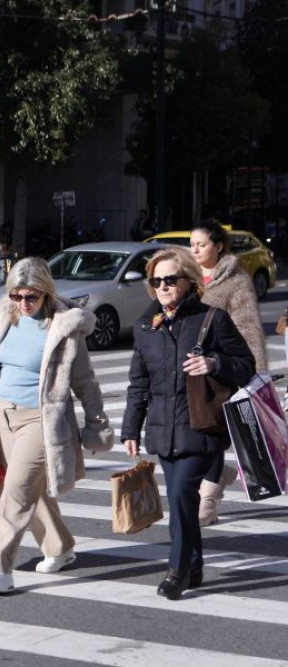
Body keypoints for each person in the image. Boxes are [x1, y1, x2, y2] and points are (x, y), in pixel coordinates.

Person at [0, 257, 113, 593]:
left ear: (46, 293)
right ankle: (59, 548)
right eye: (17, 296)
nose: (23, 304)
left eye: (31, 297)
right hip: (0, 413)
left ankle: (0, 568)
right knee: (28, 490)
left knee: (16, 494)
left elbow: (85, 381)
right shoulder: (5, 315)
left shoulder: (64, 327)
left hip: (40, 419)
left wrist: (96, 424)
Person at [122, 247, 254, 600]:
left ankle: (176, 570)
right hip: (164, 430)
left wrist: (214, 364)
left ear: (189, 281)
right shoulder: (146, 326)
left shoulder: (212, 319)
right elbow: (139, 383)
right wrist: (131, 428)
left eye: (169, 279)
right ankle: (194, 564)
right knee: (183, 500)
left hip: (202, 425)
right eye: (156, 281)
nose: (163, 287)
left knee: (181, 494)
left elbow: (245, 364)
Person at [189, 219, 265, 526]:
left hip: (223, 370)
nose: (195, 250)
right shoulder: (185, 276)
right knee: (196, 434)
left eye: (202, 244)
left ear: (219, 246)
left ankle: (207, 501)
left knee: (214, 433)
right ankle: (218, 474)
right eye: (192, 244)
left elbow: (248, 329)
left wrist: (253, 377)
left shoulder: (235, 280)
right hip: (190, 372)